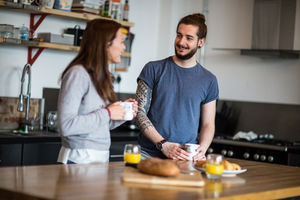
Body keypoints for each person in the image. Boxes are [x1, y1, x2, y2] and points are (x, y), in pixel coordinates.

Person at [135, 13, 219, 161]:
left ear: (201, 42)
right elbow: (139, 113)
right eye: (179, 35)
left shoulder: (209, 80)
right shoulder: (153, 69)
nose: (181, 42)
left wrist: (202, 149)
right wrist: (163, 144)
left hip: (185, 158)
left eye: (189, 38)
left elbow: (208, 124)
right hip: (148, 155)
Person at [57, 19, 137, 164]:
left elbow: (102, 123)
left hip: (99, 157)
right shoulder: (78, 73)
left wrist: (122, 113)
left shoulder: (102, 76)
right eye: (120, 41)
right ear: (106, 44)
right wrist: (108, 113)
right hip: (78, 158)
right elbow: (66, 125)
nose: (123, 47)